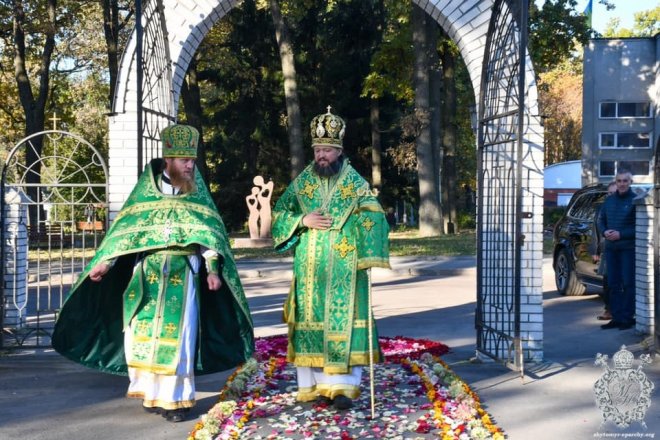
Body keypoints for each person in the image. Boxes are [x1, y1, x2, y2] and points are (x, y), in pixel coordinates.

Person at [52, 124, 255, 422]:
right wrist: (106, 263)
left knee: (179, 340)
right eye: (184, 161)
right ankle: (150, 391)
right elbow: (125, 235)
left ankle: (175, 401)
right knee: (141, 337)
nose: (190, 166)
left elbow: (210, 237)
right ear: (168, 160)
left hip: (183, 278)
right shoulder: (144, 194)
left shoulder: (197, 195)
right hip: (146, 276)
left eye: (192, 161)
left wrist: (213, 270)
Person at [271, 107, 390, 410]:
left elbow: (374, 215)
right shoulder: (302, 183)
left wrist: (369, 248)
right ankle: (315, 386)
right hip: (310, 267)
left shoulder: (355, 183)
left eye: (326, 150)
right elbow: (280, 213)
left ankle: (342, 388)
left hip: (346, 266)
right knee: (311, 324)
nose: (321, 155)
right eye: (317, 150)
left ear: (338, 150)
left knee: (344, 323)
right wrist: (302, 220)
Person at [597, 170, 636, 330]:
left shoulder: (636, 200)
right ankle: (616, 318)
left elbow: (640, 226)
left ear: (630, 182)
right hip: (611, 249)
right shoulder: (609, 200)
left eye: (625, 181)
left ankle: (627, 318)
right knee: (613, 284)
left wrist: (621, 234)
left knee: (628, 283)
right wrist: (604, 231)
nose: (622, 184)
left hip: (628, 249)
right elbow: (601, 220)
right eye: (619, 181)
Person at [595, 180, 617, 321]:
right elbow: (598, 227)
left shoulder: (629, 205)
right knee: (607, 281)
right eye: (609, 193)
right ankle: (609, 310)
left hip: (625, 248)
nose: (611, 195)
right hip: (608, 248)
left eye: (614, 193)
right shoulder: (603, 207)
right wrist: (596, 251)